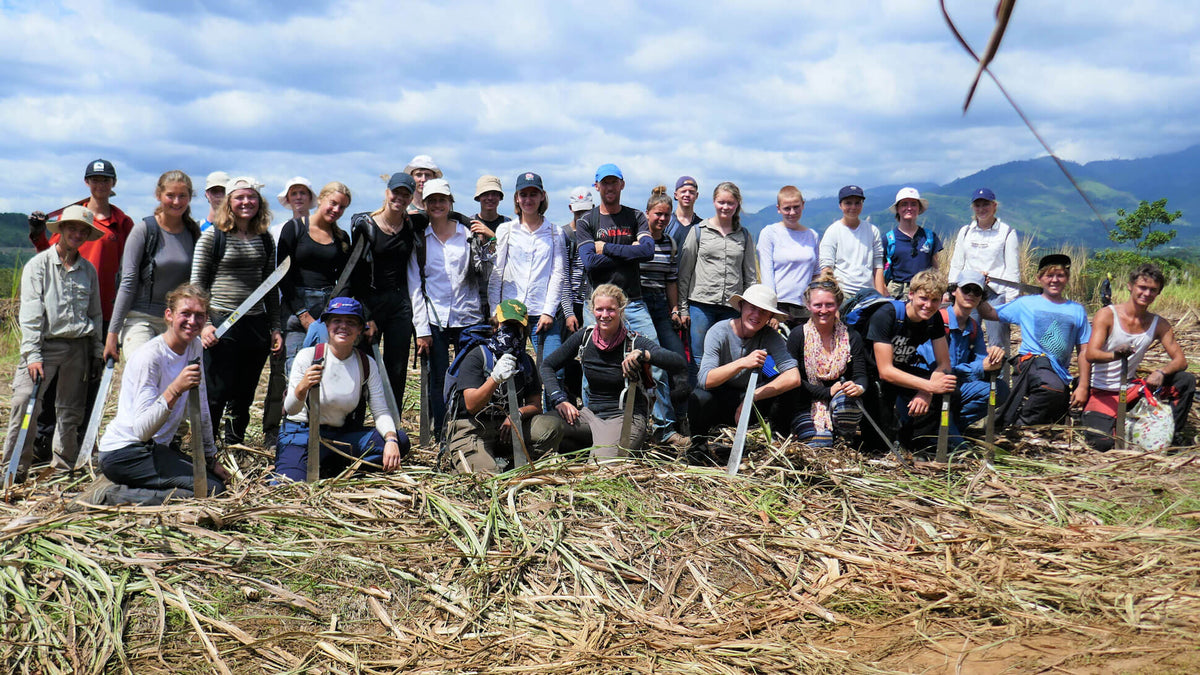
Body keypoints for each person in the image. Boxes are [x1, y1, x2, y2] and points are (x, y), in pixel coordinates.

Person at [27, 159, 135, 453]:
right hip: (65, 311)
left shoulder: (122, 223)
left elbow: (130, 268)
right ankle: (43, 441)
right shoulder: (74, 217)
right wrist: (38, 233)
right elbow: (49, 255)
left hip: (101, 313)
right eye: (95, 179)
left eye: (105, 180)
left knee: (90, 380)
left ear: (113, 184)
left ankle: (82, 441)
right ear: (87, 183)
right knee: (55, 381)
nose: (100, 185)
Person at [96, 284, 231, 499]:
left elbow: (202, 407)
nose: (192, 322)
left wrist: (209, 458)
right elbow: (142, 431)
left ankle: (132, 489)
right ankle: (113, 496)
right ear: (169, 315)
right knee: (209, 491)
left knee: (212, 482)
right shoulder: (150, 358)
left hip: (156, 448)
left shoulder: (194, 346)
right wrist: (175, 389)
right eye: (185, 314)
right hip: (126, 452)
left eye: (199, 316)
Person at [2, 206, 103, 480]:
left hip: (79, 347)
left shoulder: (88, 270)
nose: (77, 234)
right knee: (25, 403)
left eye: (83, 231)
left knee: (70, 411)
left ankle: (63, 468)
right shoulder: (38, 266)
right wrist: (32, 354)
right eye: (73, 228)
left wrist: (96, 351)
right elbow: (31, 313)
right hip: (44, 346)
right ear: (61, 230)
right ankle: (13, 468)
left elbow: (95, 313)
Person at [541, 284, 686, 460]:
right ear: (592, 310)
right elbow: (547, 365)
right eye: (599, 309)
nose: (604, 315)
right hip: (590, 415)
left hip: (624, 418)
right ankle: (591, 448)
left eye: (611, 310)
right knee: (541, 430)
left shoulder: (634, 342)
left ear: (621, 310)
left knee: (602, 467)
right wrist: (559, 399)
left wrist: (645, 355)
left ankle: (604, 452)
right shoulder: (585, 337)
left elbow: (678, 363)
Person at [190, 176, 283, 446]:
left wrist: (275, 326)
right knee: (217, 393)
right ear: (229, 202)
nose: (246, 202)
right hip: (221, 321)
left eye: (251, 197)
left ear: (259, 201)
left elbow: (270, 287)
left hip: (255, 325)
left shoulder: (265, 239)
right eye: (239, 197)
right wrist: (204, 324)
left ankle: (234, 446)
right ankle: (207, 449)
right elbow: (197, 285)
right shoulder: (212, 236)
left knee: (244, 394)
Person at [276, 297, 409, 481]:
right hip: (300, 436)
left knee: (400, 441)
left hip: (338, 438)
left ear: (360, 330)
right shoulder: (308, 357)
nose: (343, 327)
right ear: (327, 325)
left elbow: (380, 411)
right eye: (336, 321)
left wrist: (391, 439)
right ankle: (316, 465)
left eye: (351, 322)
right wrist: (302, 387)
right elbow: (291, 409)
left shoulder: (365, 364)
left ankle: (336, 466)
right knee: (288, 486)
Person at [1080, 264, 1195, 450]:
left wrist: (1161, 372)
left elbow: (1181, 361)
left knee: (1185, 380)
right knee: (1103, 444)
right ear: (1130, 286)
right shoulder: (1107, 315)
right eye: (1142, 287)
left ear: (1158, 293)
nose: (1146, 293)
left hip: (1132, 390)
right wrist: (1116, 354)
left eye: (1153, 290)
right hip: (1102, 391)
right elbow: (1091, 354)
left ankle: (1171, 433)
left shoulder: (1159, 324)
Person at [409, 178, 487, 437]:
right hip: (436, 319)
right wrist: (421, 328)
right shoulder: (420, 240)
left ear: (450, 202)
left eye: (442, 200)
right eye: (432, 201)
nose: (437, 205)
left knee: (470, 378)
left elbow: (488, 268)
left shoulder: (468, 234)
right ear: (425, 204)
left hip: (470, 316)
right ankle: (443, 433)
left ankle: (469, 430)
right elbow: (415, 286)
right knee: (439, 379)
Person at [446, 299, 562, 473]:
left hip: (506, 429)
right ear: (496, 326)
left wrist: (517, 415)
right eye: (507, 324)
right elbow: (471, 405)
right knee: (488, 477)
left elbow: (536, 405)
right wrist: (494, 379)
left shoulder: (525, 362)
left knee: (551, 427)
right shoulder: (477, 356)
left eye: (517, 326)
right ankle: (474, 462)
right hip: (473, 428)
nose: (511, 331)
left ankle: (514, 467)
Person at [689, 284, 800, 463]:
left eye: (763, 312)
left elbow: (793, 377)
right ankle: (698, 446)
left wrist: (752, 397)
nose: (756, 316)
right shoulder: (719, 331)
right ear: (742, 306)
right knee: (699, 397)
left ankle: (778, 444)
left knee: (788, 391)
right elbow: (704, 380)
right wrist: (743, 363)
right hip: (720, 398)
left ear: (770, 316)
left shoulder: (770, 336)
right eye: (752, 308)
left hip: (748, 400)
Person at [978, 254, 1090, 429]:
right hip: (1032, 361)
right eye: (1049, 276)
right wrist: (980, 289)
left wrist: (1083, 385)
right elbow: (990, 313)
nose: (1054, 280)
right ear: (1039, 278)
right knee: (1051, 388)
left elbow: (1084, 351)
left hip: (1058, 370)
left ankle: (1023, 428)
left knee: (1058, 405)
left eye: (1060, 275)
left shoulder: (1077, 310)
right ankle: (1016, 425)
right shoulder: (1026, 303)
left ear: (1067, 278)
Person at [107, 170, 202, 361]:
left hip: (178, 323)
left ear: (190, 197)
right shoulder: (144, 231)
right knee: (143, 369)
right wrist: (112, 334)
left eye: (182, 196)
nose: (176, 202)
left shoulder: (193, 233)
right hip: (141, 320)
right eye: (170, 195)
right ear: (158, 196)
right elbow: (128, 283)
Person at [348, 173, 422, 414]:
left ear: (411, 197)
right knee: (363, 365)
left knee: (396, 367)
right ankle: (356, 423)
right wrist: (366, 315)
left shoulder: (412, 224)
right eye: (395, 192)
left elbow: (444, 214)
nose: (399, 198)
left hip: (399, 304)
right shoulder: (366, 226)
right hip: (370, 300)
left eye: (405, 194)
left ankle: (393, 422)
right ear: (387, 192)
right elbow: (355, 274)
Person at [865, 269, 956, 451]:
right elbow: (885, 371)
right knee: (876, 446)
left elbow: (944, 364)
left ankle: (919, 446)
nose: (928, 305)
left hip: (901, 369)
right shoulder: (887, 315)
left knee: (947, 385)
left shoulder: (934, 319)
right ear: (911, 295)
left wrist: (927, 392)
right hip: (872, 374)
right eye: (923, 298)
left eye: (934, 300)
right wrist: (928, 386)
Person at [678, 181, 758, 386]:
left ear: (737, 204)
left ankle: (722, 407)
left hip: (732, 307)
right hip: (701, 305)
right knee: (698, 357)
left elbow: (750, 276)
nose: (725, 207)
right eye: (721, 202)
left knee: (729, 358)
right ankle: (697, 405)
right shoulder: (698, 231)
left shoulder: (744, 236)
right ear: (714, 202)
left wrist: (750, 309)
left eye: (730, 203)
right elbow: (685, 273)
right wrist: (683, 309)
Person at [915, 271, 1009, 443]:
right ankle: (944, 432)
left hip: (956, 386)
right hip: (930, 388)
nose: (971, 295)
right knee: (959, 450)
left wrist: (995, 360)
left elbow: (981, 363)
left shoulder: (974, 327)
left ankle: (952, 427)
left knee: (1000, 389)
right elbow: (936, 370)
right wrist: (981, 367)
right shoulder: (938, 321)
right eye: (966, 289)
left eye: (976, 291)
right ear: (954, 291)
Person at [276, 182, 353, 368]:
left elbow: (345, 279)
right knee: (295, 372)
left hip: (327, 308)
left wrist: (333, 313)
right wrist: (303, 314)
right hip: (296, 309)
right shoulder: (294, 228)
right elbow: (282, 274)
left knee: (324, 371)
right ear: (320, 199)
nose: (336, 209)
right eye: (333, 203)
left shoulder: (342, 237)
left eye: (342, 207)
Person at [488, 172, 564, 356]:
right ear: (516, 198)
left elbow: (558, 274)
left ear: (542, 196)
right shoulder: (506, 230)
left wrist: (549, 311)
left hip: (541, 311)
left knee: (553, 367)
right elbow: (497, 273)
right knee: (507, 366)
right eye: (523, 194)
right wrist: (495, 311)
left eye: (533, 194)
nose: (528, 199)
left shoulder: (555, 232)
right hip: (509, 312)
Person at [947, 187, 1019, 369]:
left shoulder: (1007, 232)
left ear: (994, 206)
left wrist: (1011, 300)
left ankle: (1000, 388)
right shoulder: (965, 231)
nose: (981, 208)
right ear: (973, 208)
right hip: (969, 291)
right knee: (966, 338)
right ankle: (969, 381)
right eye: (977, 205)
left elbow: (1012, 268)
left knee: (998, 344)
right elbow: (957, 263)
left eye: (985, 204)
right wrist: (952, 290)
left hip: (996, 294)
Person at [639, 186, 689, 446]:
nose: (662, 219)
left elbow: (671, 280)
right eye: (658, 213)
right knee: (655, 361)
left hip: (661, 304)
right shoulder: (637, 239)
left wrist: (674, 309)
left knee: (677, 360)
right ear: (647, 213)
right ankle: (662, 427)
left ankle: (681, 418)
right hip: (640, 302)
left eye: (667, 215)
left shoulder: (670, 243)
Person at [549, 187, 594, 406]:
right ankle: (564, 398)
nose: (582, 216)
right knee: (565, 354)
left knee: (587, 353)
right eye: (578, 212)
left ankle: (586, 399)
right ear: (571, 210)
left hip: (589, 304)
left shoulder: (594, 233)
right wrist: (568, 312)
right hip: (568, 305)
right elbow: (563, 276)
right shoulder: (565, 234)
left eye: (586, 211)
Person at [757, 185, 820, 326]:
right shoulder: (769, 233)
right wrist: (771, 311)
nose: (792, 212)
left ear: (803, 205)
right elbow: (767, 275)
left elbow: (816, 274)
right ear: (779, 208)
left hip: (806, 307)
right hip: (780, 305)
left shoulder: (812, 236)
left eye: (796, 207)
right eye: (787, 208)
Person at [818, 185, 887, 306]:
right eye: (848, 203)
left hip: (869, 295)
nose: (853, 207)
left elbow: (878, 266)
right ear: (840, 205)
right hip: (842, 295)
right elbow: (826, 268)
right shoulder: (833, 231)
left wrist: (880, 299)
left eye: (857, 203)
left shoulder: (872, 231)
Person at [883, 187, 943, 299]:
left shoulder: (930, 237)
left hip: (925, 292)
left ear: (919, 208)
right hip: (897, 294)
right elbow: (879, 269)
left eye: (913, 204)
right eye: (904, 204)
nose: (909, 208)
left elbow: (935, 267)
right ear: (898, 209)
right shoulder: (888, 239)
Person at [665, 176, 702, 248]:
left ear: (696, 195)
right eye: (683, 191)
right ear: (676, 195)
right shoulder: (666, 223)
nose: (687, 195)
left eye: (691, 192)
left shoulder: (701, 226)